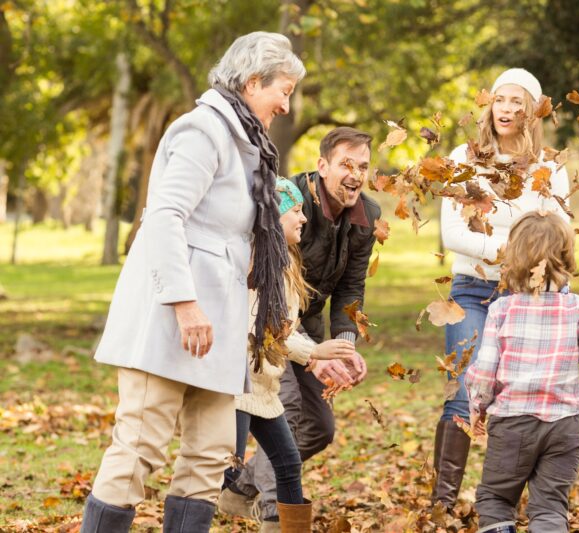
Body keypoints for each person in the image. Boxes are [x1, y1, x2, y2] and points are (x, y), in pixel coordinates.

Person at [79, 32, 305, 533]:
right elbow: (163, 217)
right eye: (282, 91)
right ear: (252, 82)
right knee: (139, 446)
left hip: (220, 328)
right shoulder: (202, 131)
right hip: (171, 317)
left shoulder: (249, 145)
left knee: (208, 458)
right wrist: (185, 304)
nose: (286, 106)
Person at [219, 127, 380, 524]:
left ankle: (239, 488)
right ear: (322, 166)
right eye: (346, 164)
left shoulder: (367, 216)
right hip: (268, 326)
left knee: (319, 427)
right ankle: (275, 512)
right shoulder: (288, 200)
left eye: (362, 166)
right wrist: (310, 353)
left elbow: (351, 287)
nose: (355, 174)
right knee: (285, 406)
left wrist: (343, 349)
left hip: (308, 329)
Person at [434, 67, 571, 510]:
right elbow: (453, 234)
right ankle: (442, 504)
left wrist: (529, 262)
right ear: (489, 105)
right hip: (472, 290)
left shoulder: (549, 167)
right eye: (500, 100)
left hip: (526, 297)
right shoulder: (465, 157)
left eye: (517, 102)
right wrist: (509, 250)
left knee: (518, 399)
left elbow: (559, 232)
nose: (506, 109)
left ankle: (502, 502)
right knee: (465, 389)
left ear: (533, 111)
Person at [465, 211, 579, 533]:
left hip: (513, 423)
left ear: (514, 255)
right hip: (565, 426)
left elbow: (484, 372)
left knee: (495, 498)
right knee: (550, 506)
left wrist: (477, 408)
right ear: (566, 255)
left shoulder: (502, 309)